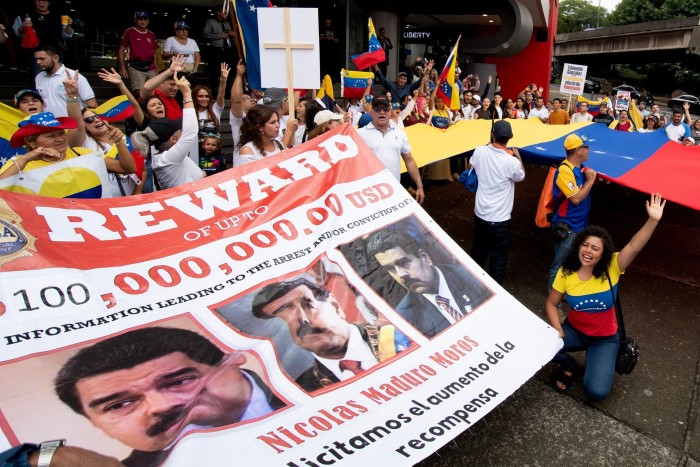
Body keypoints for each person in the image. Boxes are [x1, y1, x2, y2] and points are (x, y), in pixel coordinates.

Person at [54, 326, 284, 467]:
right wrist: (43, 456)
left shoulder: (314, 382)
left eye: (179, 381)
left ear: (233, 363)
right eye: (120, 405)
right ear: (94, 422)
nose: (162, 406)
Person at [547, 193, 666, 401]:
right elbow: (551, 302)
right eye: (584, 245)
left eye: (595, 248)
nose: (588, 251)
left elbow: (634, 245)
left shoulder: (612, 266)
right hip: (574, 331)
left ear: (603, 254)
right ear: (578, 247)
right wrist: (557, 329)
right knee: (541, 346)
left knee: (596, 392)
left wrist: (652, 220)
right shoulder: (566, 272)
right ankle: (569, 366)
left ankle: (598, 360)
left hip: (605, 339)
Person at [251, 278, 400, 392]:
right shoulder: (303, 390)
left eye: (308, 304)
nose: (304, 320)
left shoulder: (400, 333)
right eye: (285, 318)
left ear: (335, 305)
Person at [366, 227, 493, 338]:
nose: (401, 274)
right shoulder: (405, 317)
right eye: (391, 269)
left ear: (425, 258)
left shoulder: (471, 277)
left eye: (404, 263)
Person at [469, 120, 525, 284]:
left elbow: (473, 163)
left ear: (492, 134)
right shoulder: (512, 162)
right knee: (498, 257)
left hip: (480, 213)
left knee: (478, 250)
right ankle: (495, 288)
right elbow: (521, 176)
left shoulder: (480, 151)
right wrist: (517, 156)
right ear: (510, 137)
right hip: (500, 219)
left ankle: (473, 283)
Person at [131, 72, 203, 190]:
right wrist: (187, 94)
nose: (182, 131)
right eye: (179, 130)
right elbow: (191, 131)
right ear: (173, 139)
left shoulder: (167, 154)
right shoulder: (168, 159)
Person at [547, 134, 597, 291]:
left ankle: (564, 295)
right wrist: (590, 182)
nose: (589, 150)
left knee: (572, 264)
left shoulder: (579, 169)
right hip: (568, 226)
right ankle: (553, 300)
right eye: (586, 147)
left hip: (578, 226)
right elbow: (576, 199)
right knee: (560, 265)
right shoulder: (565, 171)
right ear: (578, 150)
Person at [357, 95, 424, 203]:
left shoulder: (400, 133)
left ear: (390, 111)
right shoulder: (359, 135)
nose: (382, 112)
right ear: (371, 112)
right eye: (377, 109)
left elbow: (410, 161)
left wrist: (419, 186)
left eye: (385, 109)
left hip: (394, 192)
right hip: (368, 196)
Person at [13, 0, 74, 77]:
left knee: (57, 77)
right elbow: (16, 32)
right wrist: (23, 26)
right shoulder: (26, 15)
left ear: (49, 2)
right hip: (35, 53)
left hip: (54, 52)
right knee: (39, 77)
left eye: (44, 0)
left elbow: (67, 35)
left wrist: (68, 25)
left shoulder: (57, 16)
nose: (41, 3)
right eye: (38, 0)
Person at [34, 44, 96, 117]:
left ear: (56, 58)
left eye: (42, 59)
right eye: (36, 59)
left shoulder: (74, 76)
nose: (38, 62)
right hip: (50, 125)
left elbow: (92, 104)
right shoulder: (39, 77)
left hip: (73, 125)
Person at [118, 11, 158, 95]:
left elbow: (154, 53)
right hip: (135, 66)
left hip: (151, 67)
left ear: (148, 21)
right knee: (139, 91)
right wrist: (122, 67)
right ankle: (138, 107)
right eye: (140, 19)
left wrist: (156, 68)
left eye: (145, 19)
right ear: (135, 20)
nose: (143, 22)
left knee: (154, 91)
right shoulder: (129, 31)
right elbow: (121, 50)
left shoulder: (151, 34)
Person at [140, 55, 187, 119]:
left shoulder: (174, 98)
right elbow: (146, 88)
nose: (176, 88)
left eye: (177, 85)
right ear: (160, 83)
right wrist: (170, 71)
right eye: (172, 84)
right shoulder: (153, 96)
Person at [202, 4, 234, 91]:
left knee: (228, 71)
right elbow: (205, 35)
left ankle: (227, 92)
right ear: (218, 12)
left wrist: (232, 34)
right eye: (224, 12)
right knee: (215, 72)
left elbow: (228, 35)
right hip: (216, 50)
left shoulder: (227, 23)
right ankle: (214, 91)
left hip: (227, 51)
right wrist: (219, 36)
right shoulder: (210, 22)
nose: (226, 14)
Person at [192, 63, 228, 140]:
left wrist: (223, 80)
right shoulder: (190, 112)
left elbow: (221, 95)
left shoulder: (215, 109)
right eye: (200, 96)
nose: (204, 99)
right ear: (195, 97)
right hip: (196, 149)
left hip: (215, 149)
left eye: (207, 96)